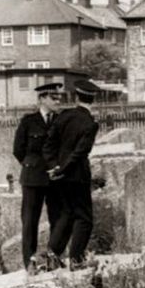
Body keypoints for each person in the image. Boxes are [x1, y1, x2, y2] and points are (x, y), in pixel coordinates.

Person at [43, 80, 101, 271]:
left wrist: (54, 168)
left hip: (59, 177)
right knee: (84, 218)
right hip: (76, 176)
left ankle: (52, 255)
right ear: (93, 99)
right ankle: (76, 260)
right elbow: (79, 153)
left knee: (67, 214)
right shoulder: (90, 123)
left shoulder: (63, 116)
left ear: (76, 97)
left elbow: (49, 144)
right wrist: (64, 169)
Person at [12, 82, 63, 274]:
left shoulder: (61, 120)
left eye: (59, 97)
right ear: (42, 99)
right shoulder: (28, 121)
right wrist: (32, 165)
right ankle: (30, 261)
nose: (58, 101)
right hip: (32, 178)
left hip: (55, 178)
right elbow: (18, 149)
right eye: (53, 97)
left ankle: (53, 257)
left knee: (57, 218)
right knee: (29, 220)